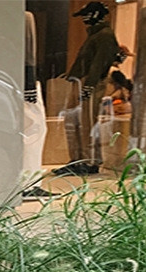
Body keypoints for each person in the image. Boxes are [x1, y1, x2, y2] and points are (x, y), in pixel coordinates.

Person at [53, 1, 121, 176]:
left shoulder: (105, 35)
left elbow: (100, 63)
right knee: (74, 122)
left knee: (87, 123)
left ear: (96, 15)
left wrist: (90, 85)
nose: (84, 19)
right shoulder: (95, 34)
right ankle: (77, 159)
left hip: (91, 81)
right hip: (81, 80)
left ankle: (90, 161)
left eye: (87, 15)